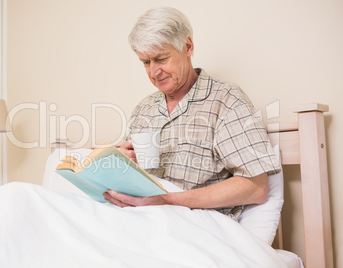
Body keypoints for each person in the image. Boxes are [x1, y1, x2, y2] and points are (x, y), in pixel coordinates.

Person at [103, 7, 280, 219]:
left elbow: (256, 187)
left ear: (188, 47)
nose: (153, 72)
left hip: (195, 225)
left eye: (161, 59)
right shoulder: (144, 108)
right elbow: (129, 180)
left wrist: (167, 200)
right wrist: (124, 162)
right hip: (140, 221)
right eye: (146, 62)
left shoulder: (225, 100)